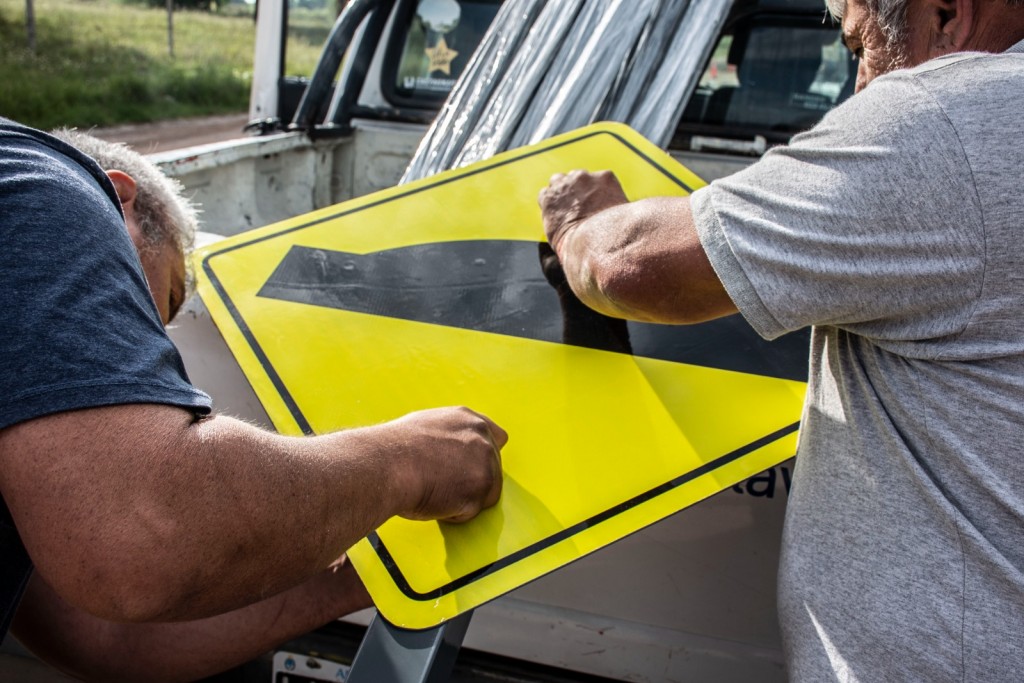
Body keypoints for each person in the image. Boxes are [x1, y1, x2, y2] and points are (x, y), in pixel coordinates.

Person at [539, 0, 1024, 680]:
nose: (859, 91)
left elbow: (630, 269)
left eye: (860, 49)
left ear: (946, 13)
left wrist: (577, 224)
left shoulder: (945, 121)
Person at [0, 121, 506, 682]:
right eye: (152, 305)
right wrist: (410, 462)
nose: (147, 347)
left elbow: (108, 634)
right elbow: (152, 531)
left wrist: (384, 566)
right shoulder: (41, 186)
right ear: (120, 200)